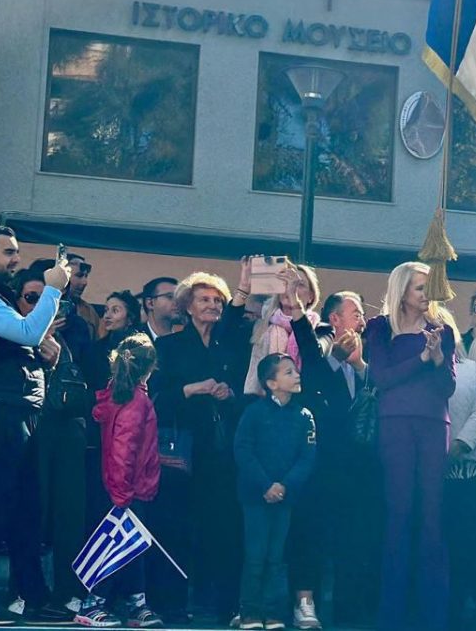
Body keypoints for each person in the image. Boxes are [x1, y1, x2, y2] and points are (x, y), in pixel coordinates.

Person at [0, 224, 70, 623]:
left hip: (14, 409)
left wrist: (43, 353)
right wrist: (54, 289)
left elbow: (23, 339)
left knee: (25, 505)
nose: (16, 260)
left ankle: (33, 596)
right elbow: (27, 329)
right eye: (9, 252)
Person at [150, 263, 255, 624]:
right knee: (177, 525)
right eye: (205, 299)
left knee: (223, 526)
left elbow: (245, 393)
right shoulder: (168, 346)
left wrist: (228, 393)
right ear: (188, 306)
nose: (212, 305)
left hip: (221, 449)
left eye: (217, 300)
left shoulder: (231, 345)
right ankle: (172, 604)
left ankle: (221, 605)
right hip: (181, 447)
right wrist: (191, 389)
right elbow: (155, 397)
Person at [363, 262, 457, 631]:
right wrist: (422, 359)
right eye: (419, 288)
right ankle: (392, 616)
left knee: (432, 517)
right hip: (396, 425)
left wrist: (436, 359)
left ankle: (434, 616)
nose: (425, 294)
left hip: (435, 425)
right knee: (398, 512)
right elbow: (382, 378)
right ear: (402, 291)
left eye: (428, 287)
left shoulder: (443, 329)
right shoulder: (380, 328)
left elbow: (448, 387)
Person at [285, 288, 370, 630]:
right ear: (335, 319)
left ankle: (350, 609)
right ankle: (304, 602)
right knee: (311, 532)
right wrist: (337, 356)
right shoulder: (321, 342)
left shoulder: (369, 349)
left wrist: (360, 364)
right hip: (320, 460)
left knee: (351, 535)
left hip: (357, 464)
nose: (362, 319)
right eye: (355, 312)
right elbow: (313, 374)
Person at [13, 266, 90, 620]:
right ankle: (26, 590)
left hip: (66, 433)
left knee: (68, 514)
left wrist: (59, 357)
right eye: (32, 298)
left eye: (48, 298)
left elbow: (88, 388)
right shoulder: (7, 330)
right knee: (28, 511)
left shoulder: (76, 331)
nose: (41, 305)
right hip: (23, 430)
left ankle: (67, 591)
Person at [77, 333, 164, 628]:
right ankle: (95, 603)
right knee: (119, 547)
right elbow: (123, 451)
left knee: (131, 547)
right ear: (150, 367)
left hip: (120, 487)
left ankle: (134, 603)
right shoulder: (136, 400)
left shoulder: (117, 395)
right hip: (128, 489)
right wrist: (123, 494)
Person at [234, 353, 317, 631]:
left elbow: (307, 456)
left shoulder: (304, 417)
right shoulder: (254, 413)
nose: (296, 376)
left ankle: (274, 613)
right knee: (256, 554)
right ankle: (250, 613)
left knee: (277, 556)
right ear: (271, 383)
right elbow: (243, 451)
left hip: (285, 499)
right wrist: (265, 485)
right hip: (255, 498)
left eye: (296, 371)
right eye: (288, 372)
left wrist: (284, 485)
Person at [445, 334, 476, 630]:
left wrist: (460, 444)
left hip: (464, 473)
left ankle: (457, 610)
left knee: (462, 543)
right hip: (424, 470)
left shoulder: (469, 368)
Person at [244, 264, 320, 398]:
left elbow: (313, 353)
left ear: (311, 297)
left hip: (302, 405)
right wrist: (244, 286)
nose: (290, 287)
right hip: (262, 406)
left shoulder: (321, 329)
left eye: (299, 284)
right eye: (285, 283)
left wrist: (294, 300)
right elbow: (226, 335)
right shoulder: (260, 325)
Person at [66, 253, 101, 340]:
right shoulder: (45, 305)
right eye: (79, 275)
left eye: (86, 276)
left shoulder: (89, 312)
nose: (85, 282)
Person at [140, 277, 180, 341]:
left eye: (178, 298)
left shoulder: (185, 340)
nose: (177, 302)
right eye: (170, 296)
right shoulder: (134, 342)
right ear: (150, 303)